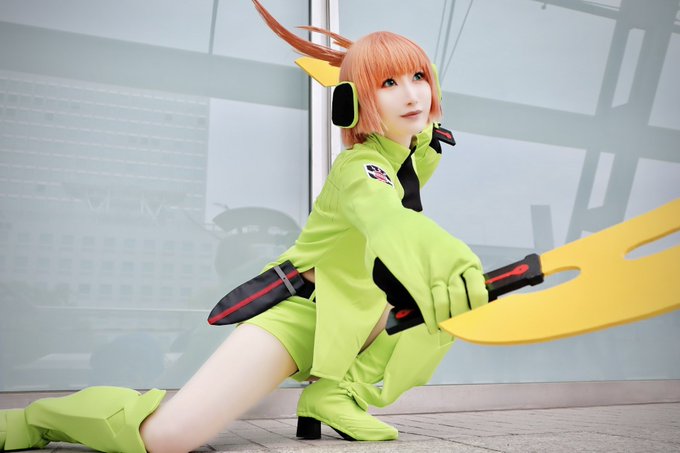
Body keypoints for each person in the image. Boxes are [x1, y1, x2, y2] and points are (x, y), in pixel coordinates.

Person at [0, 1, 488, 452]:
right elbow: (388, 220)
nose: (411, 94)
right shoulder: (361, 168)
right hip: (304, 312)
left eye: (418, 77)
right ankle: (36, 419)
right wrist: (451, 259)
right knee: (168, 438)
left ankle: (337, 393)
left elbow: (418, 148)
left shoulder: (415, 154)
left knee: (443, 303)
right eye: (388, 83)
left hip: (360, 314)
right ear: (355, 101)